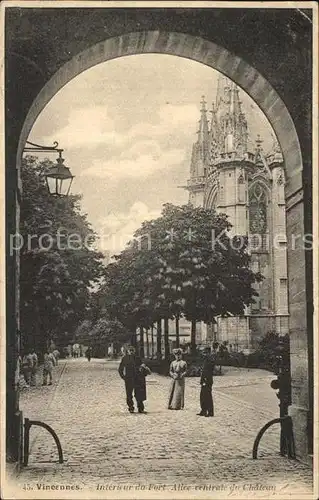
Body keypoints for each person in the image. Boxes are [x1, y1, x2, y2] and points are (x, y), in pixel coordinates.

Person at [118, 346, 151, 413]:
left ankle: (140, 408)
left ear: (134, 351)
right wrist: (123, 377)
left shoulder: (137, 358)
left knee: (139, 393)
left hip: (137, 378)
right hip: (129, 379)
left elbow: (142, 366)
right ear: (128, 351)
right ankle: (131, 407)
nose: (131, 351)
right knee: (129, 394)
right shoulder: (125, 358)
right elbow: (120, 369)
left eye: (132, 350)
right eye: (130, 350)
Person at [197, 346, 215, 417]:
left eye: (205, 353)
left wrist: (205, 380)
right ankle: (203, 410)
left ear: (208, 352)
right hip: (204, 380)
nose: (204, 354)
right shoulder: (206, 360)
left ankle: (210, 412)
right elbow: (204, 370)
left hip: (207, 380)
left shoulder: (210, 360)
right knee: (202, 395)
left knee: (207, 396)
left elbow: (208, 371)